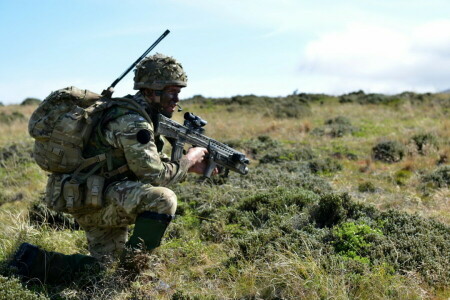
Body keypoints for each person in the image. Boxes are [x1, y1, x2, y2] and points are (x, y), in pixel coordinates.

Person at [9, 53, 212, 283]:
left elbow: (145, 161)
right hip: (99, 198)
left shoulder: (132, 112)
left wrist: (187, 166)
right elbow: (153, 175)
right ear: (151, 91)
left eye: (178, 92)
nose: (176, 99)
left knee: (105, 273)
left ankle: (30, 261)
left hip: (91, 195)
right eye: (171, 92)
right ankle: (134, 272)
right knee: (163, 199)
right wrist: (189, 160)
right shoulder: (133, 122)